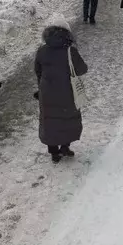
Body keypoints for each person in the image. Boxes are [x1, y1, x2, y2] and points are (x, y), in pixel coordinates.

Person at [35, 18, 88, 163]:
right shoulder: (71, 51)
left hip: (47, 93)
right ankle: (65, 146)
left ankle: (54, 153)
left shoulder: (42, 51)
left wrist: (40, 88)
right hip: (67, 92)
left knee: (50, 121)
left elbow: (37, 71)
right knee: (67, 120)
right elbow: (82, 69)